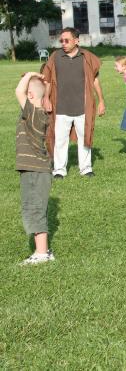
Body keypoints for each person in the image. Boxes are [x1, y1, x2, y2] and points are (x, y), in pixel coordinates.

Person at [42, 27, 105, 179]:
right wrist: (46, 98)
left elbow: (95, 80)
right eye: (61, 41)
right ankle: (59, 170)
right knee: (60, 140)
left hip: (83, 107)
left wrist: (101, 101)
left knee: (84, 138)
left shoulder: (87, 57)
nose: (63, 43)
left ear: (76, 41)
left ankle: (86, 168)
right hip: (60, 107)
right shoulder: (55, 57)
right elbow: (48, 80)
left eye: (66, 40)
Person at [15, 72, 55, 265]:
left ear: (30, 95)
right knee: (37, 207)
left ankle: (41, 253)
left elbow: (18, 92)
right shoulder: (38, 113)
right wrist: (41, 83)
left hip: (34, 171)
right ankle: (43, 251)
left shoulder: (32, 114)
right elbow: (28, 92)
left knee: (34, 208)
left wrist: (31, 75)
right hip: (38, 170)